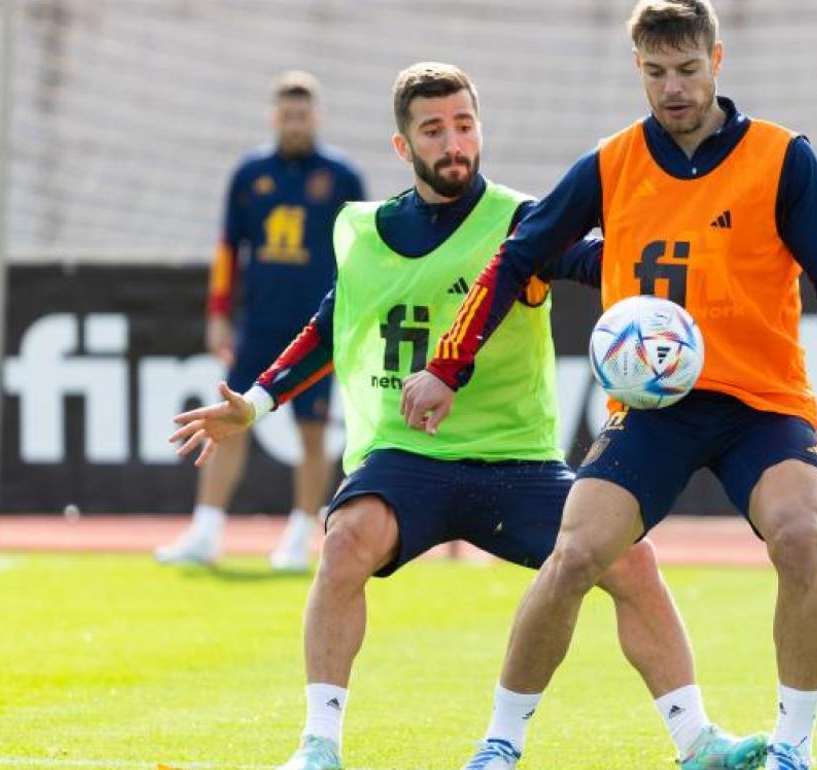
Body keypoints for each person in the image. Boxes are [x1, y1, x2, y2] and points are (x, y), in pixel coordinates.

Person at [170, 62, 766, 770]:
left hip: (517, 458)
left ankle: (696, 740)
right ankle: (318, 745)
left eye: (464, 125)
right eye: (433, 130)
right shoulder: (363, 228)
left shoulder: (523, 220)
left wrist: (686, 268)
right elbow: (333, 325)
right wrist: (259, 401)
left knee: (631, 560)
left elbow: (599, 263)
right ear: (403, 147)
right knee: (345, 540)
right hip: (405, 457)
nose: (454, 143)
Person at [400, 3, 817, 769]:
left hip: (763, 404)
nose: (673, 88)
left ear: (717, 60)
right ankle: (500, 744)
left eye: (688, 70)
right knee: (575, 555)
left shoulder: (783, 157)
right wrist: (447, 365)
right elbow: (520, 257)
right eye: (656, 73)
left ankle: (794, 746)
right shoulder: (612, 162)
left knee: (798, 533)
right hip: (654, 408)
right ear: (638, 70)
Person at [156, 70, 366, 572]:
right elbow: (229, 247)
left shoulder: (342, 177)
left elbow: (361, 251)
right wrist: (219, 314)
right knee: (230, 419)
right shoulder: (249, 174)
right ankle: (206, 529)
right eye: (286, 115)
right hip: (261, 322)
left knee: (313, 430)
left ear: (316, 117)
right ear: (274, 117)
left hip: (318, 324)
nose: (294, 124)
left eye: (303, 115)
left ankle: (299, 535)